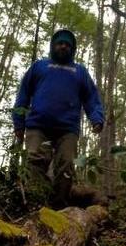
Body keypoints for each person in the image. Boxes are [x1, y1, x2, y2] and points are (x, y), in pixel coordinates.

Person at [12, 29, 104, 207]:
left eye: (67, 44)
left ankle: (59, 208)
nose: (63, 46)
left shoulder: (80, 71)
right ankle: (35, 204)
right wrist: (18, 123)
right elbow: (23, 94)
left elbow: (91, 98)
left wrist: (96, 118)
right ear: (53, 46)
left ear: (73, 49)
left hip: (67, 129)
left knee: (66, 166)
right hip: (38, 125)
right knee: (35, 161)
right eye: (60, 43)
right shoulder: (39, 66)